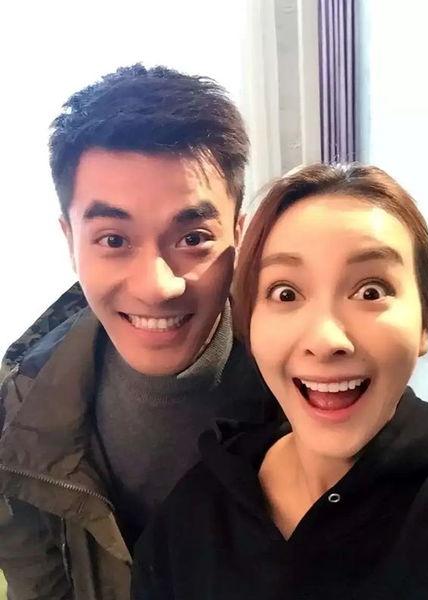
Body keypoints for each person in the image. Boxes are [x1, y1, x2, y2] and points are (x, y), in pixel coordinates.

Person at [132, 163, 428, 600]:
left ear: (425, 325)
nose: (326, 341)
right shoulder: (194, 513)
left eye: (371, 291)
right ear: (250, 325)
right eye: (285, 293)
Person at [0, 64, 278, 600]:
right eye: (113, 240)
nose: (157, 287)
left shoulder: (310, 393)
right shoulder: (19, 416)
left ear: (239, 235)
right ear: (70, 240)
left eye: (193, 238)